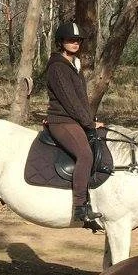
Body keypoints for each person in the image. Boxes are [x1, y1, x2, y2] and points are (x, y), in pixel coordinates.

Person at [45, 20, 104, 230]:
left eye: (77, 40)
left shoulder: (73, 65)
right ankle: (80, 206)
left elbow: (82, 100)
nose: (75, 43)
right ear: (61, 42)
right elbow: (70, 101)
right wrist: (89, 123)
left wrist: (91, 120)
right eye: (70, 40)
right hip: (61, 120)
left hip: (74, 119)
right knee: (85, 154)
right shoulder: (57, 67)